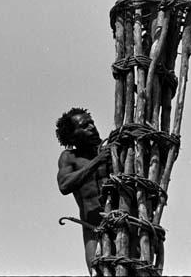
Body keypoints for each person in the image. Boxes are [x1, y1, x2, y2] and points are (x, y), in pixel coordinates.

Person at [56, 108, 111, 274]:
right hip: (93, 230)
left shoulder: (111, 151)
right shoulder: (69, 157)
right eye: (85, 125)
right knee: (98, 272)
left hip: (121, 223)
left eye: (92, 122)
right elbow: (64, 186)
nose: (92, 127)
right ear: (73, 135)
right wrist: (96, 162)